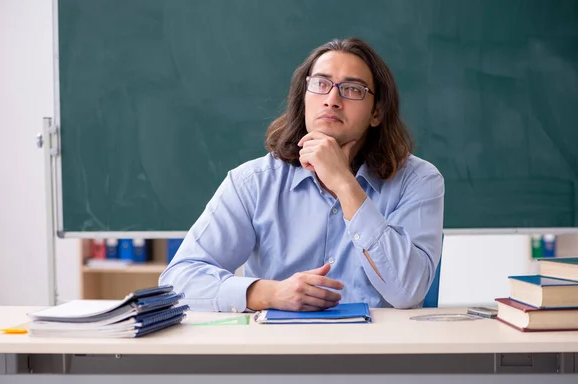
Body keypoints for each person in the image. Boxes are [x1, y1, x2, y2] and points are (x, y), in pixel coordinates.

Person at [159, 37, 444, 312]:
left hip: (380, 356)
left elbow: (408, 292)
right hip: (280, 355)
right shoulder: (253, 182)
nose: (332, 100)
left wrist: (344, 184)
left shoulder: (418, 180)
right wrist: (269, 293)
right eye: (320, 84)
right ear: (304, 98)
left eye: (353, 89)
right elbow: (179, 280)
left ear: (377, 112)